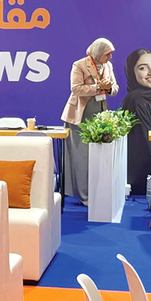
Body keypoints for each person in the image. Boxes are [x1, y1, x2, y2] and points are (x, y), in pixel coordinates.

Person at [60, 38, 119, 204]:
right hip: (80, 118)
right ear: (98, 53)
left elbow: (115, 88)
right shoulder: (79, 65)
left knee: (98, 159)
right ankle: (83, 195)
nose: (110, 57)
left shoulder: (108, 66)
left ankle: (96, 192)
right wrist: (98, 87)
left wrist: (109, 88)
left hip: (99, 117)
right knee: (81, 159)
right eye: (107, 54)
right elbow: (76, 89)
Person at [120, 48, 151, 195]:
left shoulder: (150, 99)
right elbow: (146, 146)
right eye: (143, 68)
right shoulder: (137, 101)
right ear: (132, 72)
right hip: (146, 183)